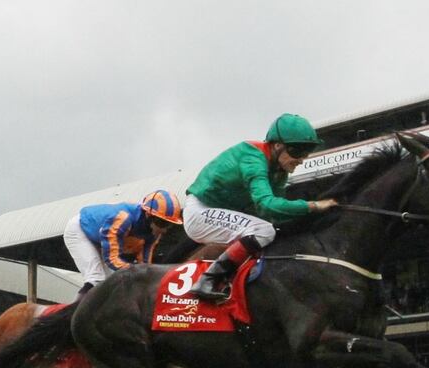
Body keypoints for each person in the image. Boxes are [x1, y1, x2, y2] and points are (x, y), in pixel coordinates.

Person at [183, 113, 338, 300]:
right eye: (297, 152)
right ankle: (207, 280)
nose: (301, 159)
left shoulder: (279, 171)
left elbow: (275, 214)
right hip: (200, 211)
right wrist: (313, 206)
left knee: (272, 230)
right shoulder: (253, 159)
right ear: (277, 145)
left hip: (220, 212)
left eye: (306, 153)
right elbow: (267, 204)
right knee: (264, 231)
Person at [63, 189, 183, 297]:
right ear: (148, 214)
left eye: (169, 225)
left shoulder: (153, 234)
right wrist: (135, 270)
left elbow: (145, 265)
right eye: (162, 223)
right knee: (96, 279)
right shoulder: (122, 219)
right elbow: (111, 259)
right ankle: (69, 317)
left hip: (99, 236)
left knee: (111, 282)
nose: (164, 229)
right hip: (79, 230)